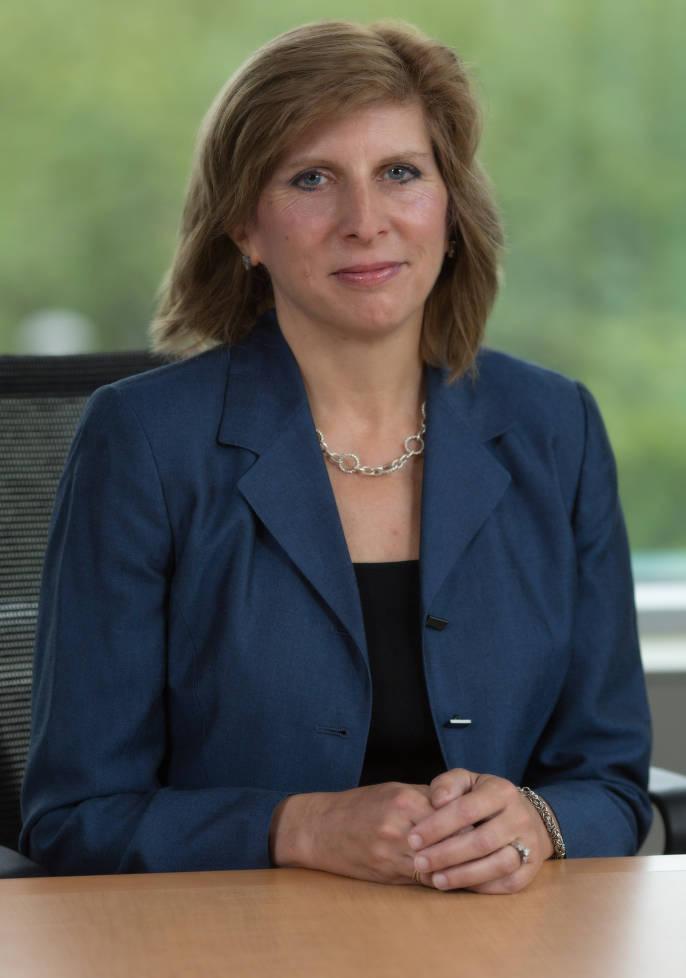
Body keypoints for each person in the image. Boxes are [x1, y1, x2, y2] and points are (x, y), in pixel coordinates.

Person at [20, 20, 652, 893]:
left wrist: (539, 823)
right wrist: (298, 826)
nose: (367, 222)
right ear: (244, 225)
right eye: (312, 179)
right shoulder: (143, 444)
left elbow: (614, 784)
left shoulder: (555, 428)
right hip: (231, 943)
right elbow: (74, 813)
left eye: (400, 173)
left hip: (501, 941)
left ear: (449, 208)